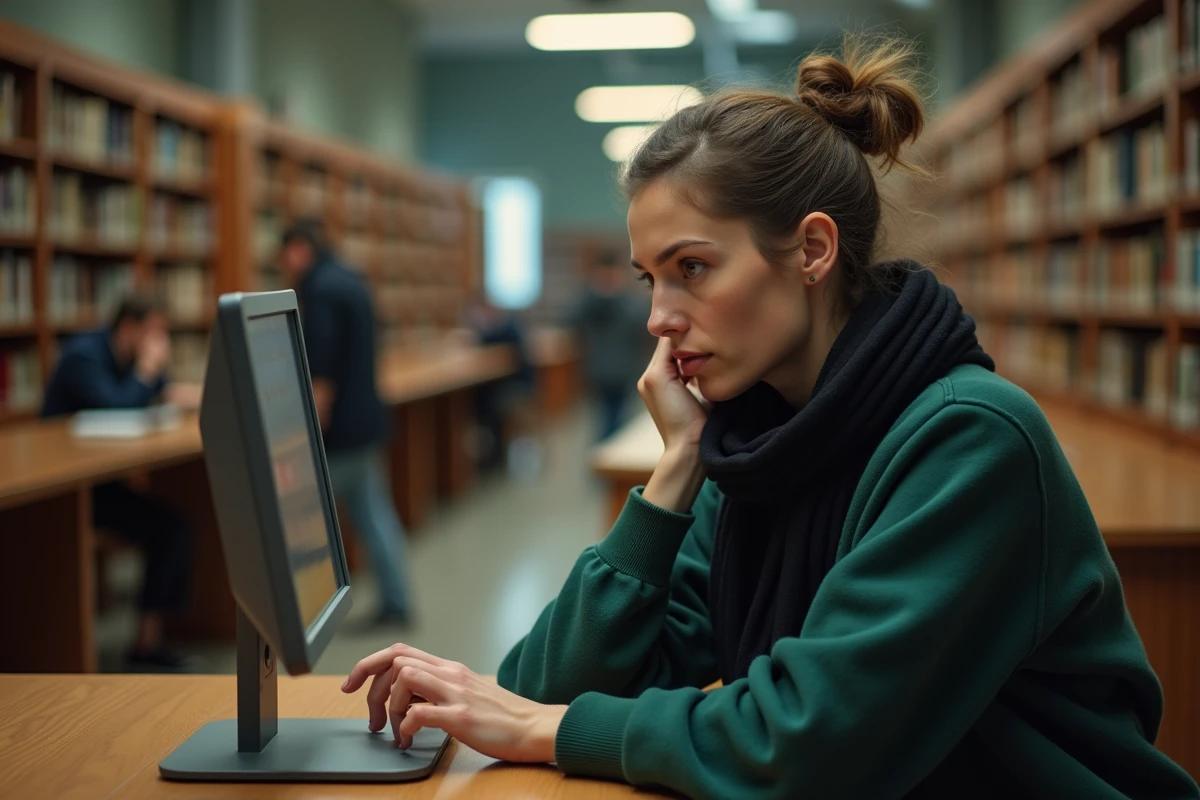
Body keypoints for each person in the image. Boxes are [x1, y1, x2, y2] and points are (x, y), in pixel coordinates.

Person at [340, 36, 1199, 798]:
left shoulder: (971, 440)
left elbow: (810, 745)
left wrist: (553, 731)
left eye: (693, 268)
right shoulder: (757, 440)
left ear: (813, 250)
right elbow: (542, 687)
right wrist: (676, 471)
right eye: (651, 279)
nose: (659, 318)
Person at [42, 293, 195, 671]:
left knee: (176, 526)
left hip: (99, 482)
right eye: (154, 332)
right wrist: (146, 369)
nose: (160, 341)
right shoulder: (83, 356)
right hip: (59, 494)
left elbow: (160, 393)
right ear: (128, 327)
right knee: (170, 529)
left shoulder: (132, 357)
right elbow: (116, 409)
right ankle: (145, 646)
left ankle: (149, 641)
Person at [277, 219, 413, 626]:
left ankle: (305, 611)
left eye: (285, 256)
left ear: (299, 248)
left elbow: (322, 370)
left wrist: (309, 432)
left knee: (303, 516)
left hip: (339, 431)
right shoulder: (352, 279)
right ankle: (396, 600)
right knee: (373, 514)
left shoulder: (320, 289)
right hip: (366, 420)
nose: (285, 266)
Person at [567, 248, 654, 441]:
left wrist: (617, 297)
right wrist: (595, 295)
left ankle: (609, 452)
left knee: (619, 420)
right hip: (598, 372)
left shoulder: (628, 301)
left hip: (625, 370)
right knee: (604, 421)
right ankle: (605, 453)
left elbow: (642, 325)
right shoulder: (589, 301)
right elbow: (571, 322)